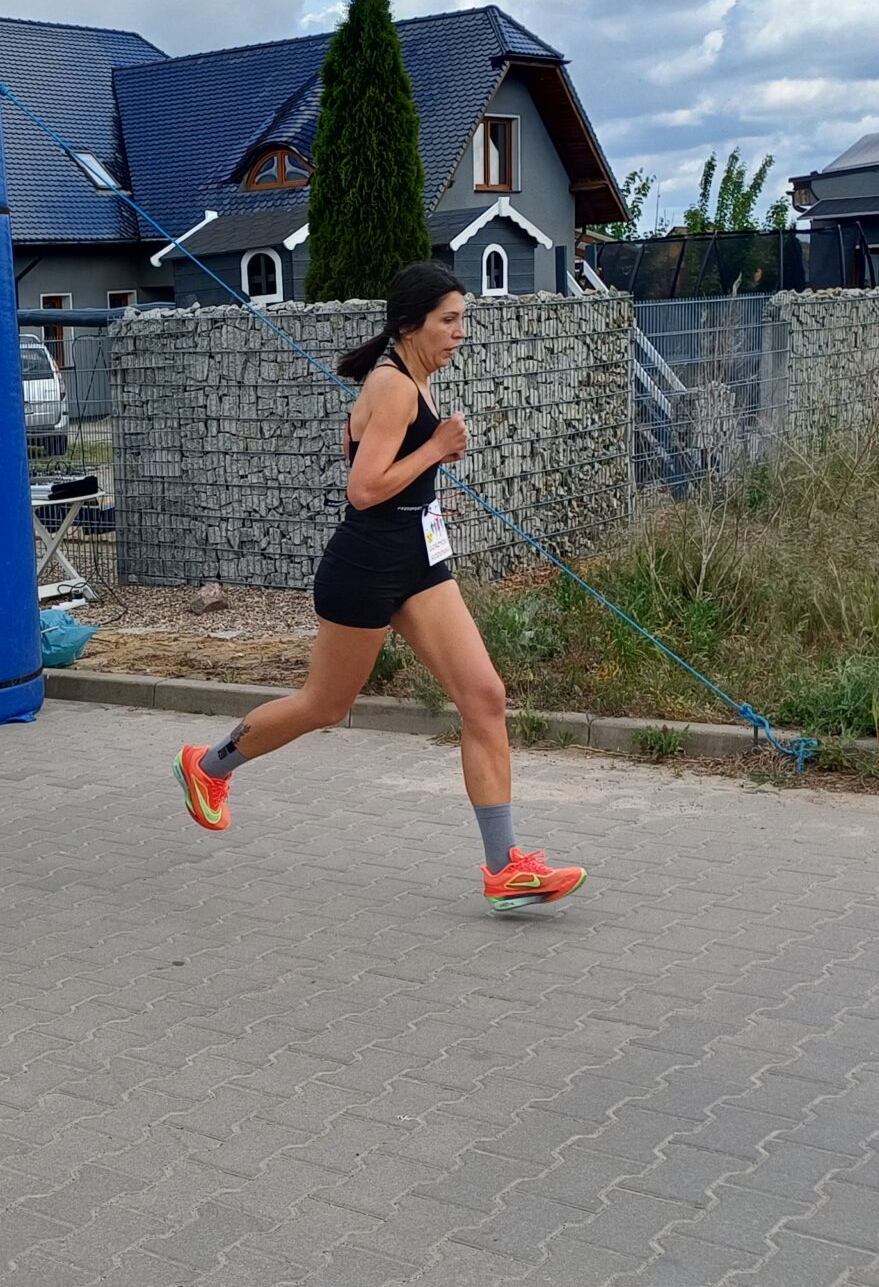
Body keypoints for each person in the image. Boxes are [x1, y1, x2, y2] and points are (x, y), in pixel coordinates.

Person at [173, 261, 587, 911]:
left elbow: (376, 461)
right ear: (410, 325)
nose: (460, 332)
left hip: (418, 563)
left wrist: (427, 472)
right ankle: (207, 766)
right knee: (324, 706)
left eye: (462, 320)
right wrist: (436, 448)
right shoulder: (394, 385)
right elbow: (363, 490)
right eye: (449, 320)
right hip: (366, 568)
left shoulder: (413, 378)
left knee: (484, 697)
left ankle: (505, 868)